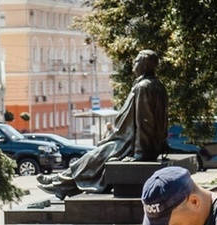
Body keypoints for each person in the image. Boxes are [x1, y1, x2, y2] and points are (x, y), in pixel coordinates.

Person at [38, 49, 168, 196]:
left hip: (133, 144)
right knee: (94, 157)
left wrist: (140, 155)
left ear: (144, 66)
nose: (134, 64)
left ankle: (59, 183)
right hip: (142, 143)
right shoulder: (158, 85)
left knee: (94, 157)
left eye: (137, 61)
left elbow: (145, 122)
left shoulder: (143, 87)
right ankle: (59, 182)